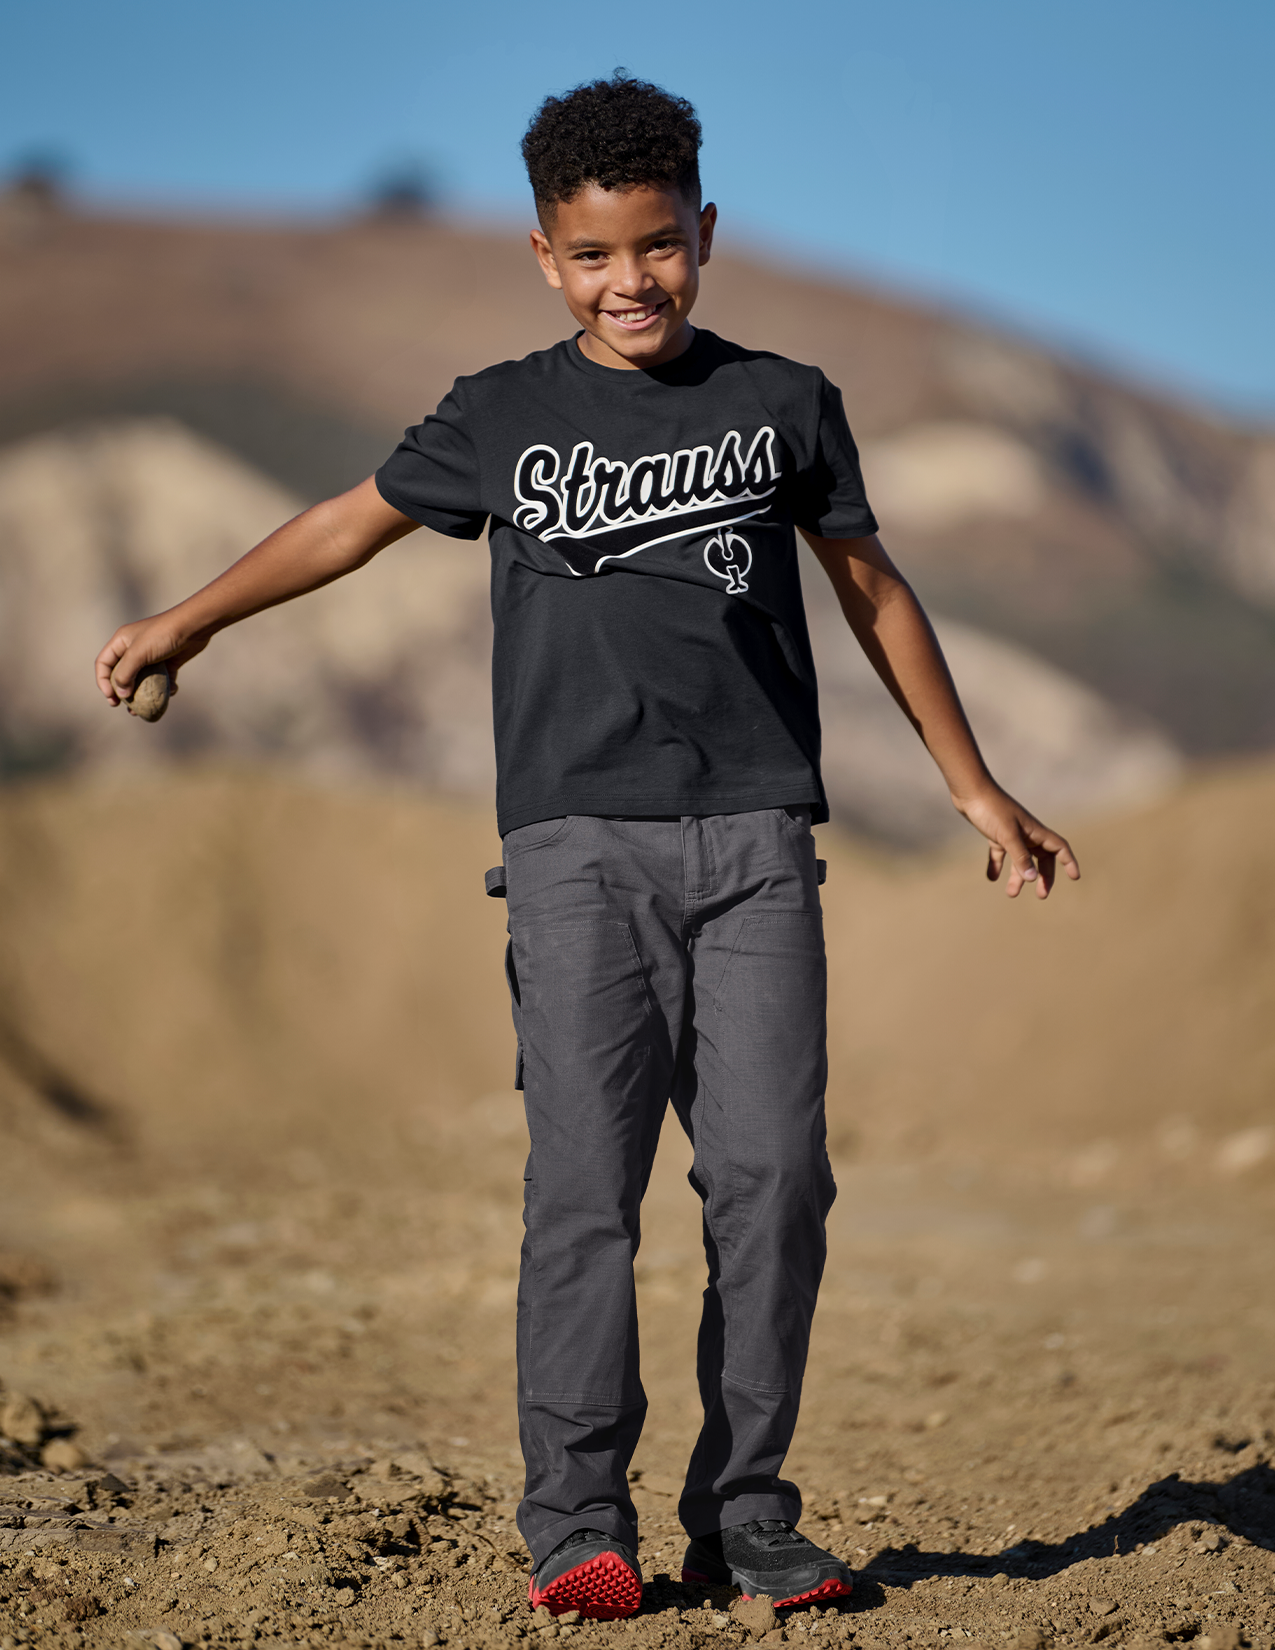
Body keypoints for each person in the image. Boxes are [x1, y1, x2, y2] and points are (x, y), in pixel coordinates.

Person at [96, 72, 1079, 1624]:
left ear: (705, 230)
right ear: (544, 260)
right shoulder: (500, 413)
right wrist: (189, 619)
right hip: (572, 852)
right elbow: (347, 521)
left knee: (773, 1182)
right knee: (586, 1197)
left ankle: (745, 1512)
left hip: (757, 841)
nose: (633, 282)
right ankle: (576, 1522)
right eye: (593, 255)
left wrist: (972, 785)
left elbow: (871, 591)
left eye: (659, 246)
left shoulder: (784, 402)